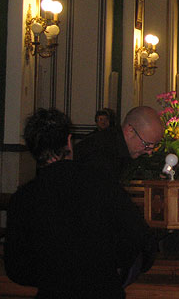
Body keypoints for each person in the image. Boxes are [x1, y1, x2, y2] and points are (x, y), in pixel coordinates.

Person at [4, 108, 156, 297]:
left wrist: (54, 276)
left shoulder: (23, 198)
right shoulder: (102, 183)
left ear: (32, 149)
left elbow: (16, 268)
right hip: (103, 290)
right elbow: (137, 236)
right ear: (69, 141)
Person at [75, 106, 164, 182]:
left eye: (155, 146)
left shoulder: (128, 151)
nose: (149, 152)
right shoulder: (102, 152)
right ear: (130, 131)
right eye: (146, 144)